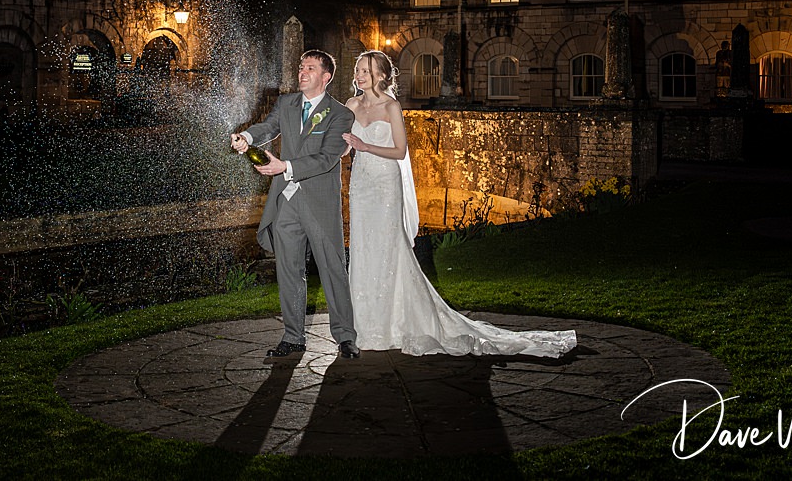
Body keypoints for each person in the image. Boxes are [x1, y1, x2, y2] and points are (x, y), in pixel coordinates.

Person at [342, 49, 577, 358]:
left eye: (364, 70)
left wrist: (365, 145)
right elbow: (342, 147)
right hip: (361, 185)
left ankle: (394, 325)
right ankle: (365, 325)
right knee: (363, 248)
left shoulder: (392, 107)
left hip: (385, 184)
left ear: (381, 75)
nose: (357, 75)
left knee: (388, 248)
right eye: (357, 70)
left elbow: (399, 152)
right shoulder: (350, 105)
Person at [231, 49, 360, 360]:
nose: (302, 72)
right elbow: (267, 127)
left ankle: (345, 337)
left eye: (310, 68)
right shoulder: (286, 103)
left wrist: (284, 166)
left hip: (319, 203)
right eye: (301, 67)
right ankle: (293, 337)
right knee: (289, 270)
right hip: (286, 203)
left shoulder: (342, 114)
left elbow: (328, 157)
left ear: (325, 77)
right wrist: (247, 137)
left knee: (332, 269)